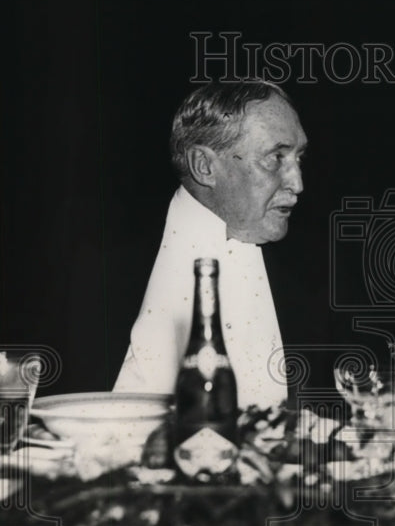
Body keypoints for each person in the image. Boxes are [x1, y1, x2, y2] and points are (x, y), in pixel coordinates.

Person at [114, 81, 310, 409]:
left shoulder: (315, 271)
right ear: (204, 166)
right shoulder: (96, 264)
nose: (298, 184)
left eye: (299, 158)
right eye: (275, 158)